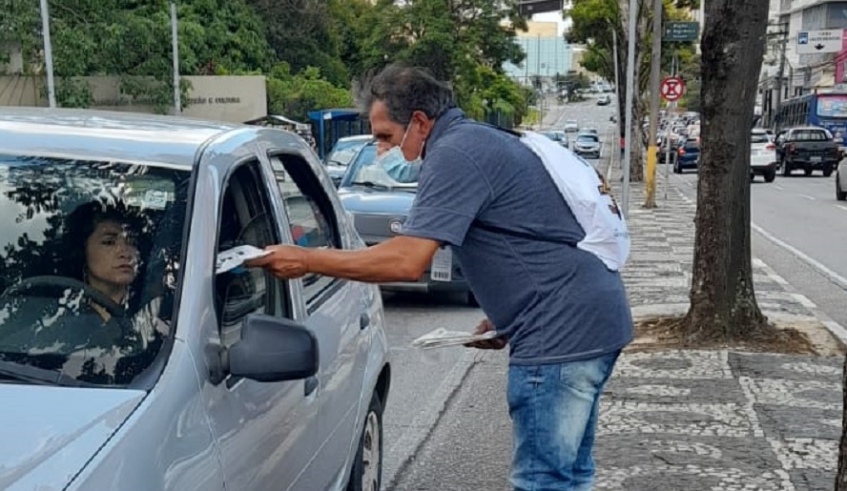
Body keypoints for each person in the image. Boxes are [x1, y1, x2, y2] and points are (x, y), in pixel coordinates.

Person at [247, 64, 633, 491]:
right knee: (570, 477)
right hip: (589, 319)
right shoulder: (477, 140)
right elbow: (529, 237)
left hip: (559, 335)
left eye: (385, 137)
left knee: (544, 482)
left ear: (419, 122)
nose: (381, 150)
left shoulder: (454, 154)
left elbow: (408, 260)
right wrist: (508, 315)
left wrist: (306, 259)